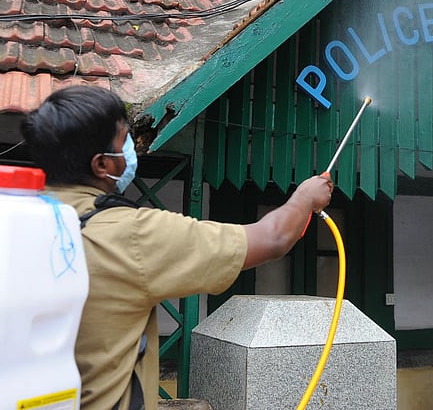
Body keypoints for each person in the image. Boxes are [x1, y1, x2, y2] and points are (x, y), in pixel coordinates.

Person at [20, 85, 334, 410]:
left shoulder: (13, 216)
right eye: (124, 139)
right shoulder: (130, 234)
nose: (132, 147)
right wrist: (305, 197)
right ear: (101, 164)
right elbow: (273, 238)